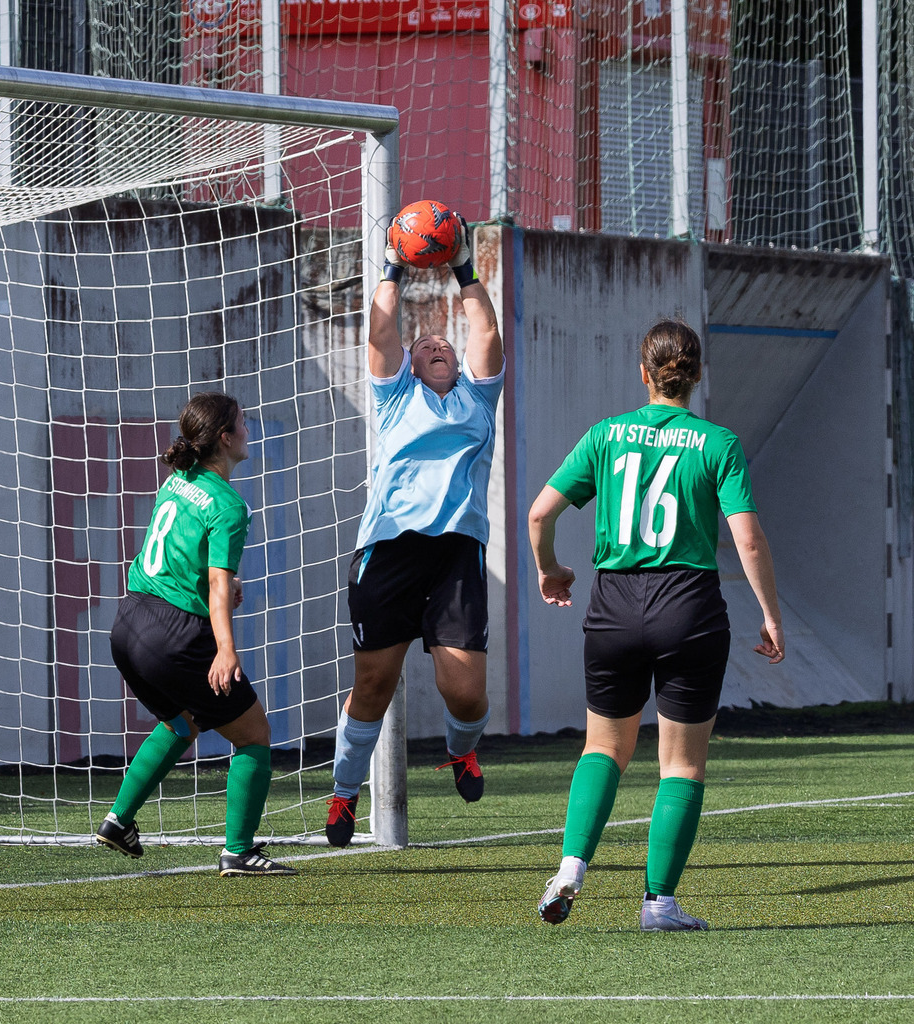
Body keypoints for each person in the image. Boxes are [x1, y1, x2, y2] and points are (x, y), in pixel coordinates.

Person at [528, 319, 784, 930]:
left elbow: (540, 514)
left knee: (604, 748)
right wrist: (772, 616)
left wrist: (551, 571)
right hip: (688, 606)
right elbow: (746, 539)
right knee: (682, 765)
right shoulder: (717, 442)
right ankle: (659, 904)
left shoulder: (606, 435)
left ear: (644, 373)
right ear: (695, 377)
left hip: (613, 604)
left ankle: (569, 868)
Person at [325, 216, 505, 846]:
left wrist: (464, 269)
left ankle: (462, 750)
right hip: (390, 550)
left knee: (465, 693)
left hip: (456, 553)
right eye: (423, 344)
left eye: (444, 345)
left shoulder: (478, 400)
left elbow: (485, 334)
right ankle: (345, 793)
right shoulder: (395, 397)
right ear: (408, 362)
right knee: (373, 685)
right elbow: (379, 332)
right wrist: (392, 268)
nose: (435, 345)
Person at [96, 391, 297, 877]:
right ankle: (238, 852)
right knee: (254, 736)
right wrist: (226, 648)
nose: (248, 432)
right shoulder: (230, 505)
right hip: (175, 633)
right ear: (225, 439)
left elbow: (186, 559)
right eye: (243, 425)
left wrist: (224, 585)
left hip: (128, 621)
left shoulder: (177, 480)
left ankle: (118, 820)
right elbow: (214, 581)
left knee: (182, 721)